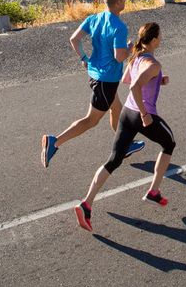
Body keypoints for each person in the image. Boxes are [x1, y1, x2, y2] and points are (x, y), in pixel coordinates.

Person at [75, 22, 176, 232]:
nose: (161, 38)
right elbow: (134, 85)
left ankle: (86, 203)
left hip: (126, 114)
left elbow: (125, 79)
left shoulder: (136, 56)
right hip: (141, 114)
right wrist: (146, 114)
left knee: (114, 160)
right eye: (160, 35)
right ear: (155, 39)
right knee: (169, 144)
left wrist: (158, 81)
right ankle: (154, 191)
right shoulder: (153, 64)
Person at [41, 0, 144, 168]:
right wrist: (130, 48)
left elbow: (74, 39)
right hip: (106, 80)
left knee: (116, 109)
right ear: (119, 2)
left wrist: (84, 58)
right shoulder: (119, 26)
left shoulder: (94, 18)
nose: (126, 1)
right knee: (91, 120)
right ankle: (54, 142)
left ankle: (124, 145)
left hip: (96, 74)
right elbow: (119, 57)